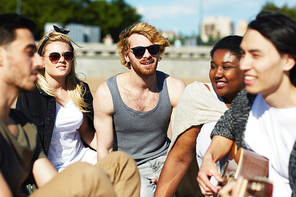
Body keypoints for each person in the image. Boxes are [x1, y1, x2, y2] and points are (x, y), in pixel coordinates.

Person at [0, 13, 140, 197]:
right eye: (29, 53)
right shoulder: (31, 100)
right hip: (61, 166)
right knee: (87, 175)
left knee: (122, 163)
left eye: (67, 55)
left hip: (75, 163)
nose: (37, 62)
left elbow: (49, 182)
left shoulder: (24, 125)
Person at [197, 11, 296, 197]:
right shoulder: (248, 99)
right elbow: (225, 128)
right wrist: (208, 159)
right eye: (243, 54)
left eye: (256, 55)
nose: (243, 65)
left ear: (288, 60)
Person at [93, 21, 186, 196]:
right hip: (126, 165)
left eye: (153, 49)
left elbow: (180, 142)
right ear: (126, 55)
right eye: (138, 51)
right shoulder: (107, 93)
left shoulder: (175, 87)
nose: (147, 55)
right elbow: (105, 150)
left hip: (164, 161)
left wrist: (169, 173)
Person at [154, 35, 245, 197]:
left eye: (226, 67)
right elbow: (179, 159)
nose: (217, 74)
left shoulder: (263, 103)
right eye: (213, 66)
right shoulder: (199, 96)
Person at [16, 26, 97, 172]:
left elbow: (86, 132)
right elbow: (23, 142)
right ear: (41, 60)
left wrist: (108, 153)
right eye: (54, 56)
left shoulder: (80, 89)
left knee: (121, 164)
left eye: (67, 56)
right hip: (51, 167)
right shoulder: (29, 92)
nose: (62, 60)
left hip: (83, 159)